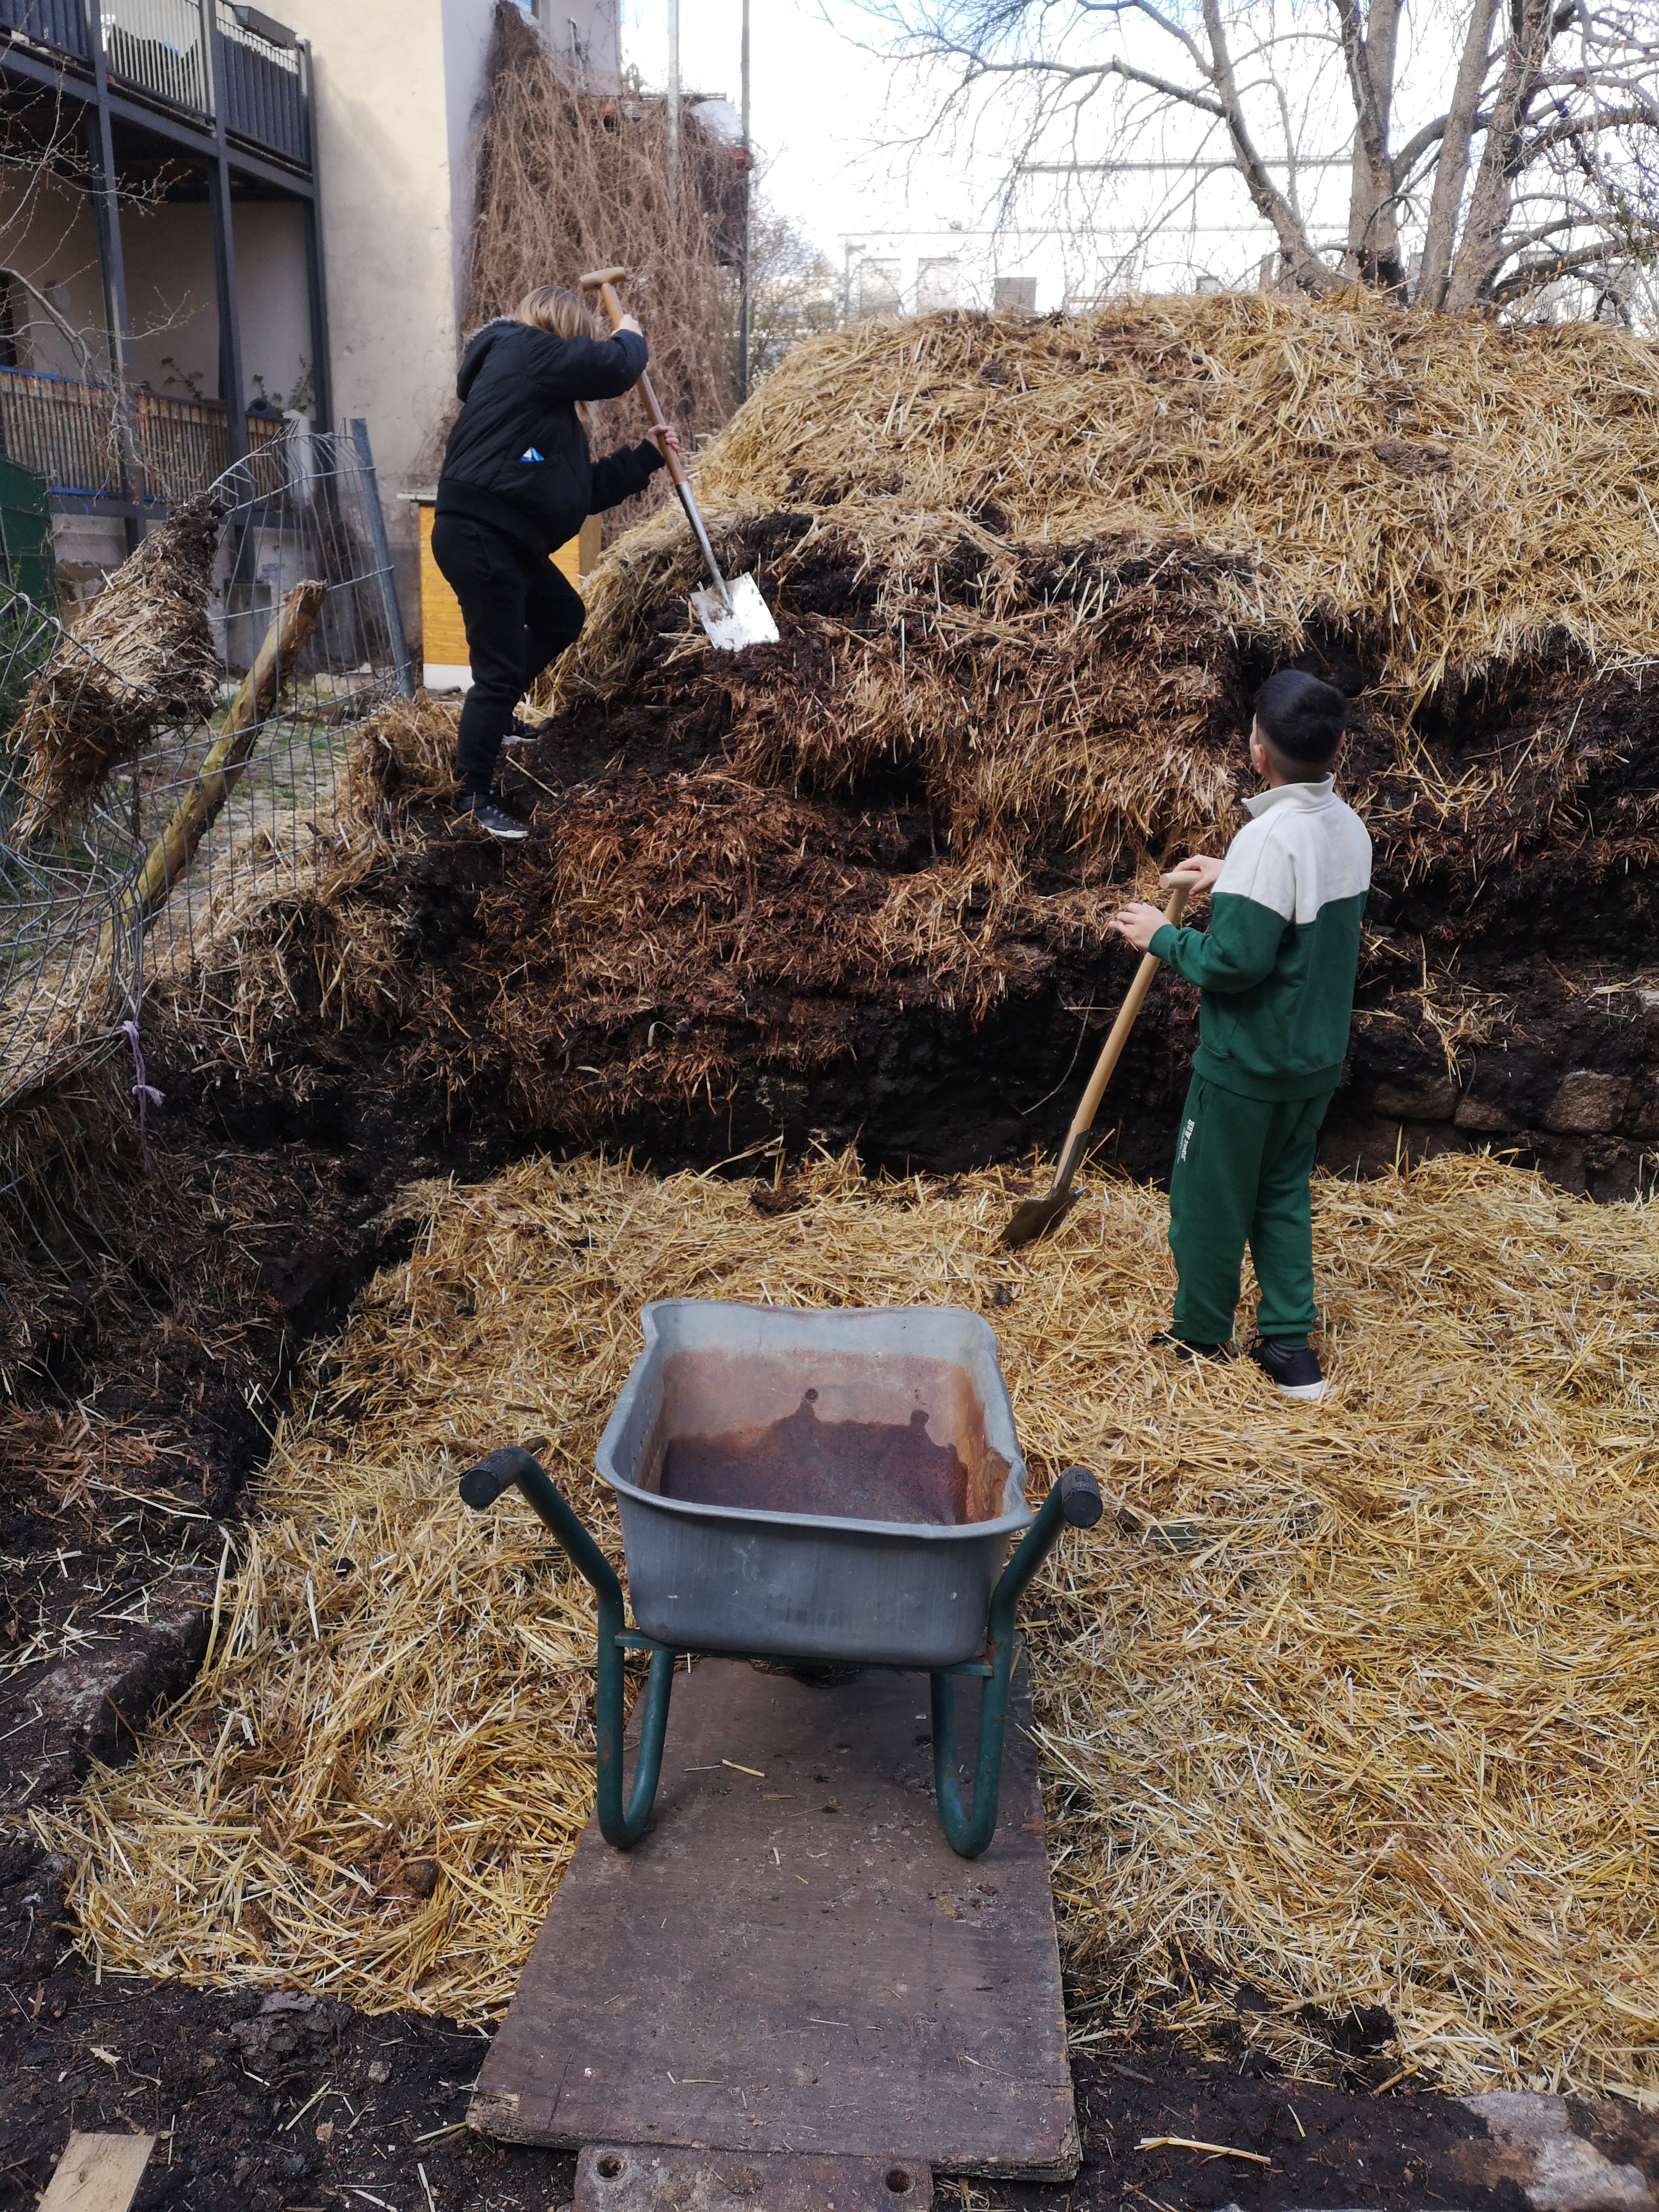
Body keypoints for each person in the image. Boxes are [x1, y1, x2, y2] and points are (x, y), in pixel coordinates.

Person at [1110, 670, 1371, 1402]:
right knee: (1281, 1192)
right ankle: (1290, 1348)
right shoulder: (1347, 828)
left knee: (1208, 1200)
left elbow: (1234, 962)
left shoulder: (1266, 838)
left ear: (1258, 753)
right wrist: (1233, 874)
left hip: (1245, 1068)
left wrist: (1162, 936)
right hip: (1311, 1063)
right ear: (1339, 747)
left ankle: (1199, 1334)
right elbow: (1302, 898)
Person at [431, 284, 680, 841]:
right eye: (581, 341)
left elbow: (579, 491)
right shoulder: (522, 349)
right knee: (496, 671)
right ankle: (472, 798)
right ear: (565, 332)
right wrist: (630, 336)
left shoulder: (540, 409)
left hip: (506, 539)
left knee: (561, 615)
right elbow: (616, 366)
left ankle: (496, 718)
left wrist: (646, 455)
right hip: (482, 534)